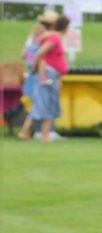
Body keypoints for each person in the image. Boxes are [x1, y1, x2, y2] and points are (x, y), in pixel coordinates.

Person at [25, 11, 69, 141]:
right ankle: (44, 134)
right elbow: (41, 56)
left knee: (41, 103)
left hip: (45, 73)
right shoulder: (51, 38)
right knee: (46, 104)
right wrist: (35, 70)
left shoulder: (42, 36)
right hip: (44, 74)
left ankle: (40, 132)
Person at [16, 17, 47, 140]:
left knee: (36, 103)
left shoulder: (31, 41)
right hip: (38, 75)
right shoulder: (43, 42)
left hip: (30, 75)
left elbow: (23, 55)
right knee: (40, 104)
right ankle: (28, 131)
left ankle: (35, 131)